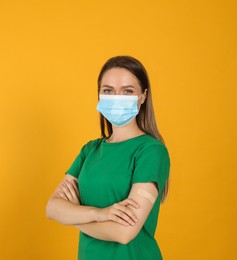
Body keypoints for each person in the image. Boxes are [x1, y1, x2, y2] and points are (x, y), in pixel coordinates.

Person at [46, 55, 171, 260]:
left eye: (127, 91)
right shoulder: (90, 150)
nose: (117, 97)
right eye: (108, 91)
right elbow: (52, 208)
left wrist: (74, 214)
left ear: (143, 96)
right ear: (99, 95)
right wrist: (99, 214)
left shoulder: (151, 151)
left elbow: (124, 233)